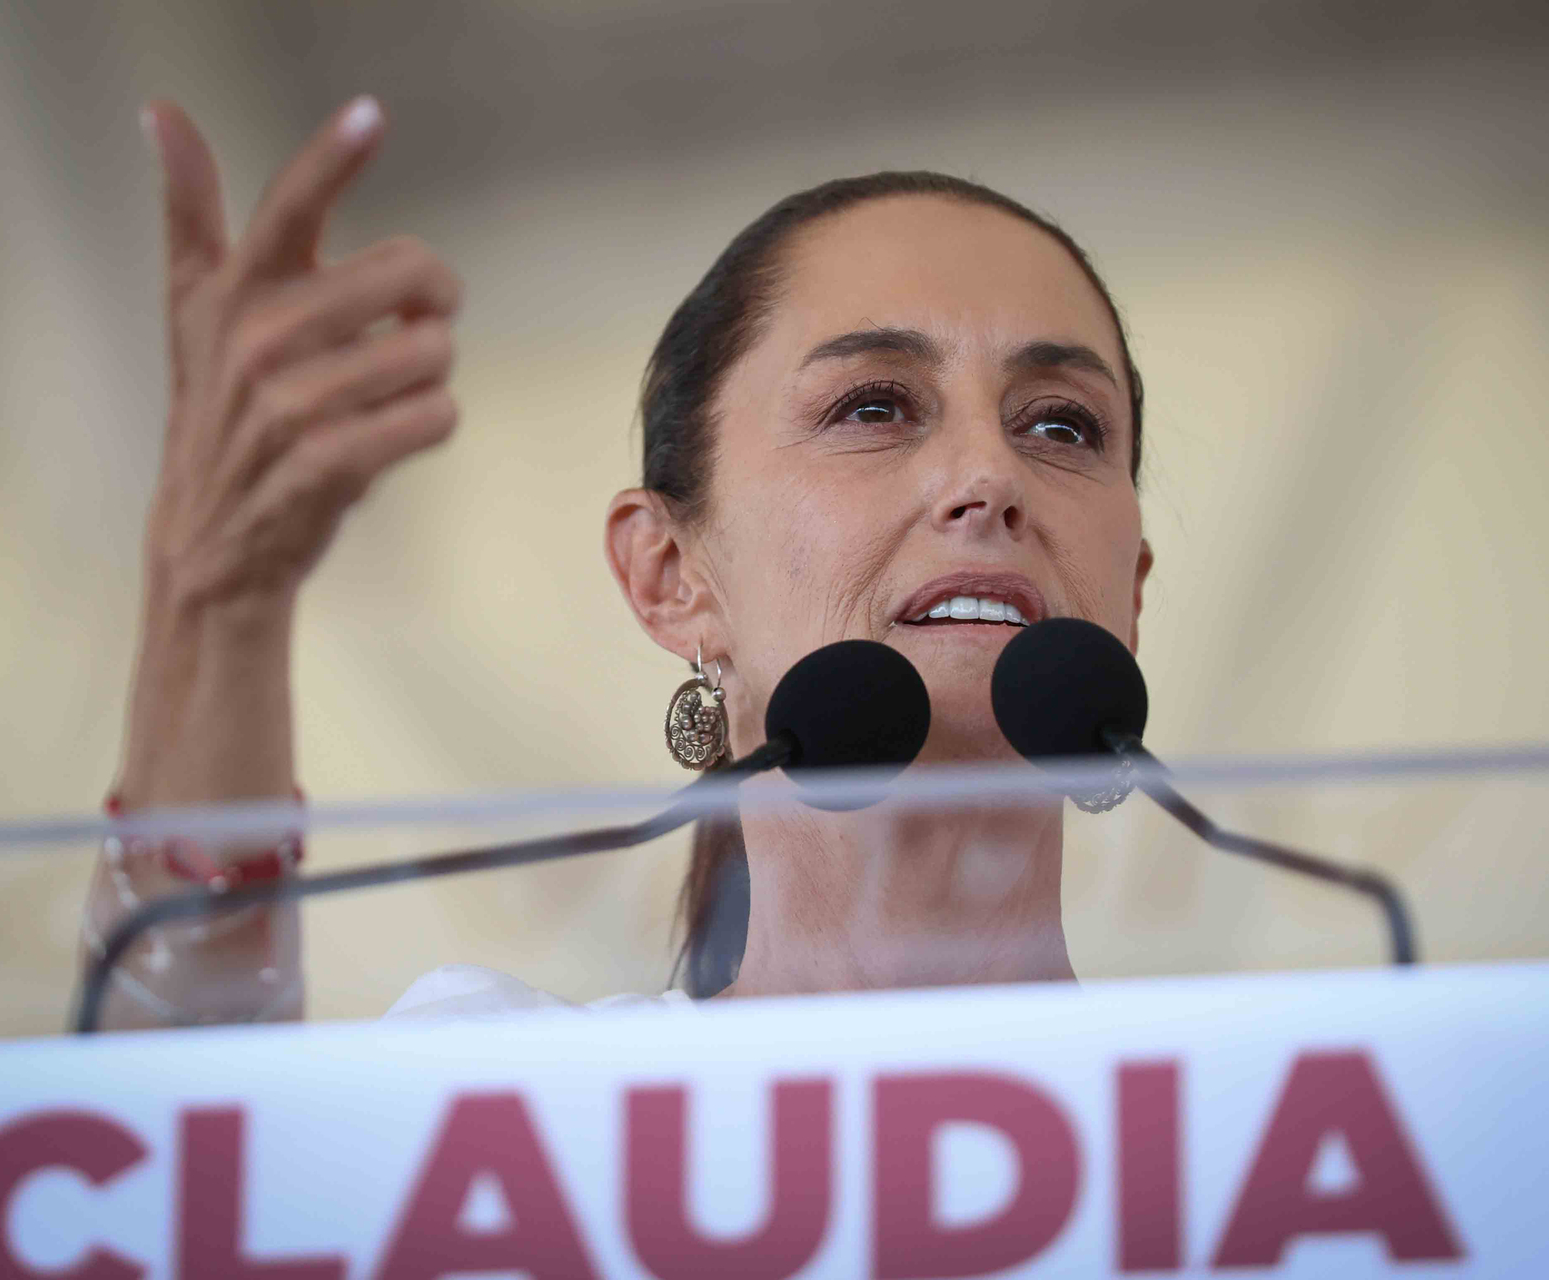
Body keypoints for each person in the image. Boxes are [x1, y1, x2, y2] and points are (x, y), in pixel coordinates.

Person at [80, 94, 1151, 1029]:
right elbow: (159, 1213)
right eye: (873, 405)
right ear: (669, 574)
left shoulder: (1272, 1105)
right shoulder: (515, 1095)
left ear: (1133, 588)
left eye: (1062, 426)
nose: (988, 473)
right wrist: (213, 603)